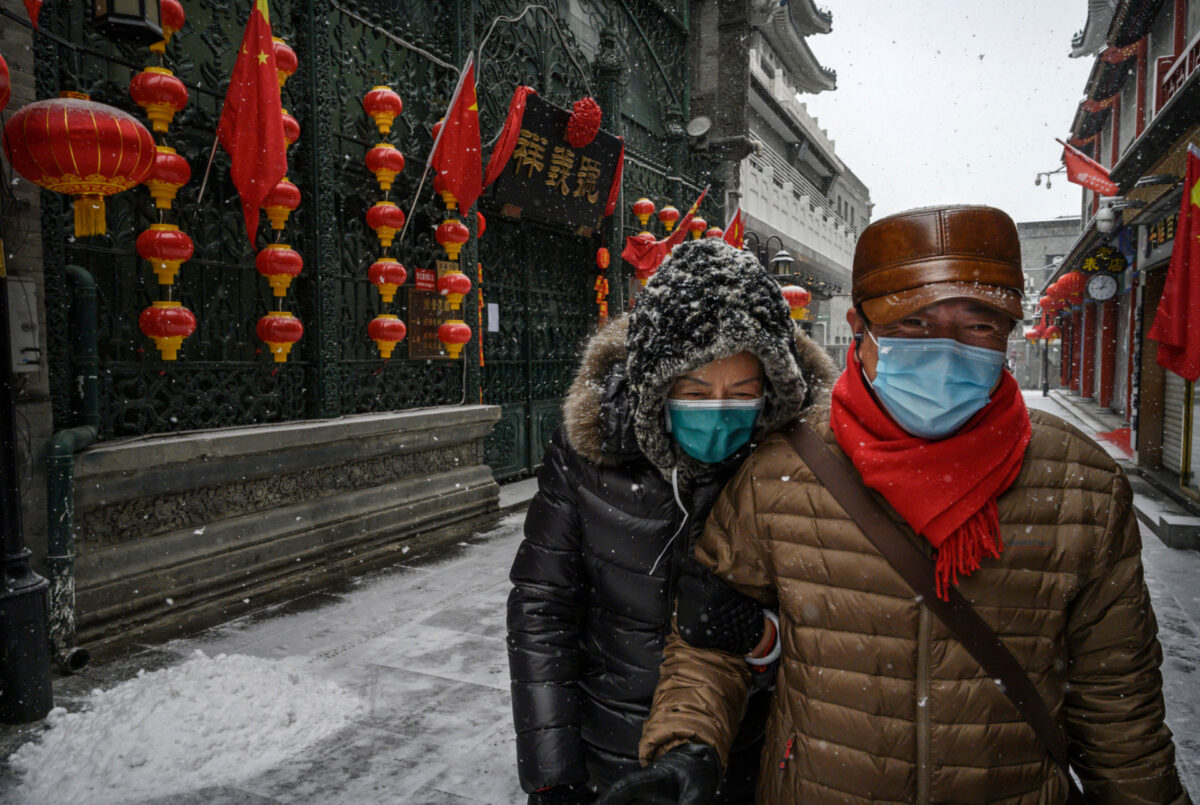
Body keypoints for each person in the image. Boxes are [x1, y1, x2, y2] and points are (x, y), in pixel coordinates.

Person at [599, 205, 1191, 805]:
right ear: (861, 326)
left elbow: (1119, 704)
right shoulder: (784, 468)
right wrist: (688, 743)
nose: (946, 348)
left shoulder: (1080, 486)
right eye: (912, 322)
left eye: (979, 323)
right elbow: (708, 643)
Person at [506, 238, 837, 804]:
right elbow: (544, 606)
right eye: (695, 391)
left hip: (750, 752)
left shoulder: (803, 464)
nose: (719, 409)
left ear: (770, 393)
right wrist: (552, 771)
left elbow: (842, 617)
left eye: (741, 393)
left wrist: (764, 637)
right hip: (615, 750)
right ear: (658, 388)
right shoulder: (590, 455)